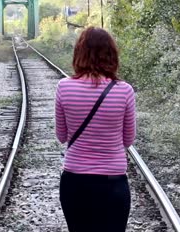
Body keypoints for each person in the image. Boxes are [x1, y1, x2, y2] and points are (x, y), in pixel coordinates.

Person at [55, 27, 136, 232]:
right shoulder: (124, 91)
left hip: (75, 182)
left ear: (79, 53)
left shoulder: (64, 87)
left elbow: (62, 136)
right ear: (111, 54)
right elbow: (128, 140)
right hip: (113, 184)